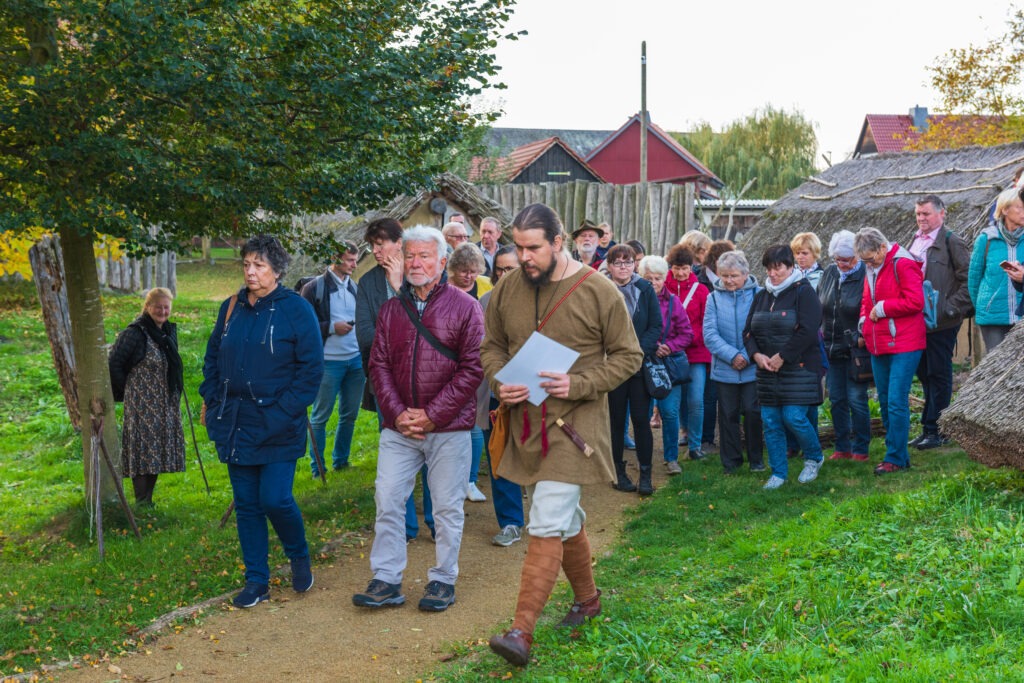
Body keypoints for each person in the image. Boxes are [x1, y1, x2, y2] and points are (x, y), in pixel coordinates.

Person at [483, 203, 642, 667]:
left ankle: (521, 632)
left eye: (534, 247)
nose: (524, 256)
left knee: (547, 517)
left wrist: (580, 383)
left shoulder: (599, 290)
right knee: (565, 517)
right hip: (524, 423)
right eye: (519, 247)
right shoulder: (509, 287)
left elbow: (629, 356)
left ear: (559, 243)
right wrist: (500, 380)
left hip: (575, 427)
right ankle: (588, 601)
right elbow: (490, 346)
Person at [352, 226, 484, 613]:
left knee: (445, 507)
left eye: (425, 256)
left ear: (443, 262)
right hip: (399, 428)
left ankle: (443, 579)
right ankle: (387, 579)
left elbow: (472, 369)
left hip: (448, 427)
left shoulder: (465, 307)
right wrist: (396, 413)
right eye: (410, 255)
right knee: (388, 499)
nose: (416, 263)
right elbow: (378, 365)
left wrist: (431, 415)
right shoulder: (392, 309)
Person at [200, 235, 323, 608]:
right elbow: (212, 358)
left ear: (278, 270)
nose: (251, 272)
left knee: (275, 498)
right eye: (247, 265)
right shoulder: (231, 308)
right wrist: (212, 395)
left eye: (260, 266)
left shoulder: (296, 310)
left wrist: (283, 410)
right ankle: (257, 580)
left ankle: (298, 555)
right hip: (236, 421)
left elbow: (311, 370)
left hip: (279, 423)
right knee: (247, 504)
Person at [354, 218, 433, 542]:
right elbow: (364, 334)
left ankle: (435, 522)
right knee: (395, 461)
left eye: (380, 243)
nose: (375, 250)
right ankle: (403, 528)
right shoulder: (368, 282)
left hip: (428, 384)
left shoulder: (422, 278)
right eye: (372, 244)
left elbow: (428, 329)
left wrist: (400, 283)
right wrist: (397, 343)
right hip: (387, 386)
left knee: (432, 457)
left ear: (398, 243)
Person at [743, 244, 824, 490]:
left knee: (793, 417)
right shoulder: (761, 296)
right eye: (769, 268)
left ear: (791, 267)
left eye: (778, 268)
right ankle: (778, 472)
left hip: (798, 368)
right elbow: (748, 331)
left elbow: (809, 330)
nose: (772, 273)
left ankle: (814, 457)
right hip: (767, 370)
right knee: (770, 420)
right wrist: (756, 355)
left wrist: (782, 356)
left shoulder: (804, 292)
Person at [855, 227, 926, 475]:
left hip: (905, 342)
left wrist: (884, 308)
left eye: (870, 258)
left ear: (883, 248)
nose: (868, 264)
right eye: (864, 261)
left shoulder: (903, 264)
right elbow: (866, 300)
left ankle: (894, 456)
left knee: (896, 401)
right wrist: (864, 323)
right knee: (884, 401)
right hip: (878, 342)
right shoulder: (871, 266)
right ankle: (898, 455)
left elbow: (916, 301)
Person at [108, 287, 185, 507]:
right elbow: (114, 363)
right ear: (148, 307)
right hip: (142, 403)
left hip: (164, 402)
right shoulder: (134, 333)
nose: (162, 311)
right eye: (158, 306)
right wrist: (129, 391)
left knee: (156, 450)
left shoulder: (167, 332)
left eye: (166, 307)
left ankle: (148, 501)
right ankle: (141, 501)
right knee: (142, 450)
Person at [907, 194, 973, 450]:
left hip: (942, 321)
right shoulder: (915, 240)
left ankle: (939, 430)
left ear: (941, 213)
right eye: (918, 214)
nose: (922, 218)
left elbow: (969, 280)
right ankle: (928, 426)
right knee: (924, 373)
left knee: (939, 373)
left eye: (926, 214)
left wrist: (949, 308)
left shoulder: (951, 241)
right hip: (918, 320)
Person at [300, 242, 365, 475]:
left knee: (350, 415)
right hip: (328, 362)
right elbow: (302, 327)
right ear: (334, 258)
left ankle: (341, 461)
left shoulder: (355, 288)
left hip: (355, 361)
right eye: (350, 260)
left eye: (355, 260)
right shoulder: (313, 288)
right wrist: (330, 328)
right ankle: (318, 468)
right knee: (319, 417)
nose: (354, 265)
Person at [605, 244, 662, 495]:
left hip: (639, 365)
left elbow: (655, 325)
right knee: (616, 421)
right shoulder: (601, 288)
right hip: (612, 366)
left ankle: (646, 474)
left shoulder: (645, 288)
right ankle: (618, 472)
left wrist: (637, 353)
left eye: (628, 262)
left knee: (640, 419)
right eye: (618, 263)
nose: (623, 267)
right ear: (609, 266)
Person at [479, 245, 527, 546]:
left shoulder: (540, 300)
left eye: (511, 268)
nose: (505, 274)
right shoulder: (484, 301)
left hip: (538, 391)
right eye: (500, 269)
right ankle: (510, 521)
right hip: (499, 391)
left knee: (538, 455)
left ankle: (554, 519)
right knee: (500, 454)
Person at [703, 251, 764, 474]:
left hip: (752, 366)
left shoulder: (760, 295)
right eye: (724, 275)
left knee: (752, 412)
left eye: (734, 276)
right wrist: (731, 356)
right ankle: (731, 462)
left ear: (746, 274)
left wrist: (747, 356)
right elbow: (709, 333)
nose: (728, 280)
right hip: (725, 367)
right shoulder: (713, 298)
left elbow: (762, 330)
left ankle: (756, 459)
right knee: (727, 414)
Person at [818, 230, 871, 462]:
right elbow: (820, 304)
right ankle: (842, 446)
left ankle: (861, 447)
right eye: (837, 259)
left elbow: (868, 309)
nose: (842, 264)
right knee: (837, 398)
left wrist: (860, 336)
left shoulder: (866, 275)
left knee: (856, 398)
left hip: (856, 348)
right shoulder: (829, 273)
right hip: (831, 346)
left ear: (858, 257)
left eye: (847, 260)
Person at [638, 254, 693, 475]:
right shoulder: (635, 301)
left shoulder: (673, 302)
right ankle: (644, 459)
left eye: (658, 278)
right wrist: (650, 346)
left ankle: (671, 458)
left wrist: (669, 346)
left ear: (665, 278)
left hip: (668, 364)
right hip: (642, 362)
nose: (653, 282)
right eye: (648, 278)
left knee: (670, 412)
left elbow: (687, 333)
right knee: (641, 415)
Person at [447, 242, 493, 503]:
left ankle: (470, 480)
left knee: (475, 422)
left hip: (478, 361)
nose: (469, 276)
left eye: (473, 271)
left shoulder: (486, 286)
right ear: (453, 269)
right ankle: (449, 477)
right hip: (449, 362)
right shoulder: (444, 288)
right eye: (464, 271)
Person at [664, 243, 711, 460]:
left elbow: (705, 321)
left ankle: (695, 444)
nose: (682, 273)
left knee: (696, 398)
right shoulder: (663, 289)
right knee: (677, 399)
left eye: (685, 268)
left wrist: (688, 338)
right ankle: (683, 433)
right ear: (670, 267)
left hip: (696, 352)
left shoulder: (701, 290)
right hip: (671, 353)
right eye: (677, 267)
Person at [969, 186, 1024, 352]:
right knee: (994, 369)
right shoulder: (986, 239)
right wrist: (983, 307)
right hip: (992, 317)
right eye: (1020, 208)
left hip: (1021, 317)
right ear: (1005, 210)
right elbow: (974, 280)